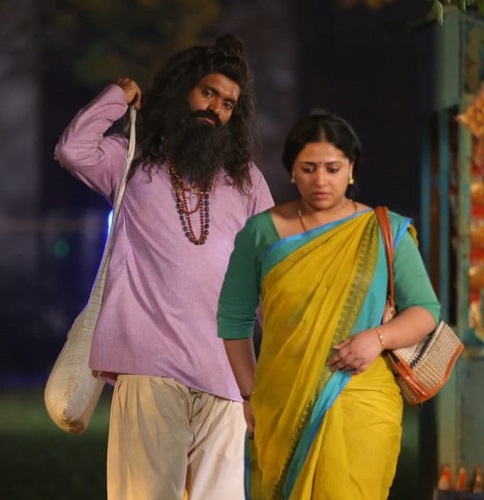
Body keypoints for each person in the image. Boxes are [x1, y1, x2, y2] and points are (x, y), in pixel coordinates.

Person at [54, 34, 274, 500]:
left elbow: (270, 276)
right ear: (182, 91)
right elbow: (73, 151)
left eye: (228, 104)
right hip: (150, 368)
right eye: (208, 93)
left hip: (226, 378)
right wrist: (116, 97)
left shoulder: (247, 180)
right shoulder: (132, 159)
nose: (215, 109)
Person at [217, 112, 441, 499]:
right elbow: (233, 320)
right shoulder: (260, 232)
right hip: (282, 402)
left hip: (362, 402)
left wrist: (377, 338)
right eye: (308, 168)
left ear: (351, 169)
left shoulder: (383, 231)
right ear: (292, 170)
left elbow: (425, 311)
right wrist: (250, 395)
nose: (320, 180)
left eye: (332, 169)